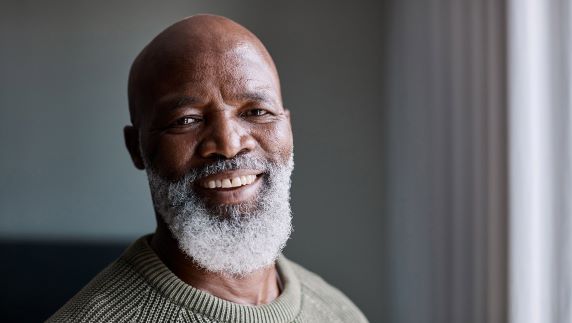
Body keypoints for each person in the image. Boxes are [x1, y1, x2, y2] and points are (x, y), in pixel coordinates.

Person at [48, 14, 368, 323]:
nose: (229, 144)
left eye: (257, 111)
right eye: (186, 120)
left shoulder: (339, 312)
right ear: (137, 148)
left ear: (288, 128)